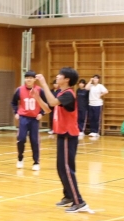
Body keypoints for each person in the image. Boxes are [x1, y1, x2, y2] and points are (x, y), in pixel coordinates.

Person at [34, 68, 90, 213]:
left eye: (60, 75)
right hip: (61, 134)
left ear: (67, 79)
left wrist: (43, 83)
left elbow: (52, 102)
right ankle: (69, 196)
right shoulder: (61, 93)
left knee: (66, 169)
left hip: (68, 135)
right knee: (61, 168)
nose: (57, 76)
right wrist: (37, 98)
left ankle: (79, 202)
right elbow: (48, 109)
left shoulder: (69, 94)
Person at [11, 70, 47, 170]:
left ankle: (36, 162)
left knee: (34, 140)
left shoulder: (39, 90)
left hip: (34, 119)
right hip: (23, 118)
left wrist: (41, 113)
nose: (28, 80)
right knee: (21, 139)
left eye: (30, 78)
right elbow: (13, 102)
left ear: (34, 79)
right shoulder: (19, 90)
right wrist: (16, 112)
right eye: (27, 78)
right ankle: (20, 158)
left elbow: (46, 103)